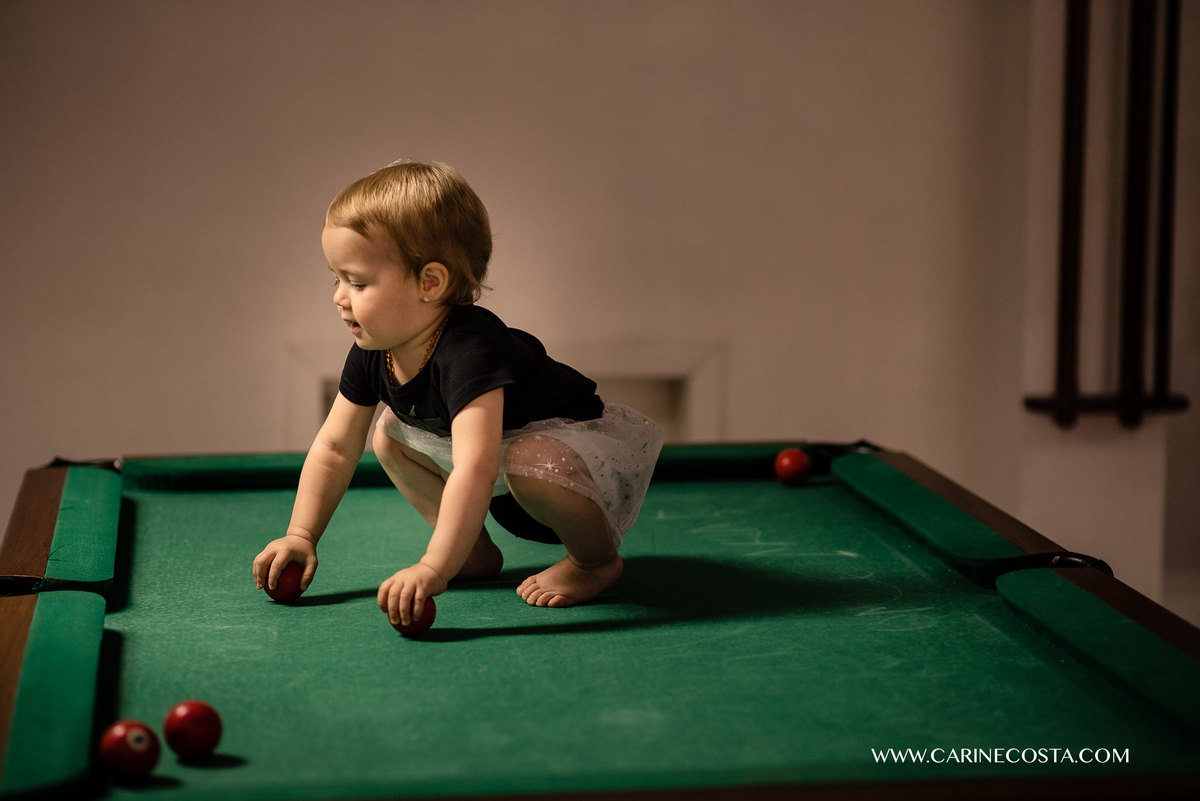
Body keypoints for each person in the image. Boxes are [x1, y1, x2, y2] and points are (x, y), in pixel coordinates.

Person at [252, 160, 664, 630]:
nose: (339, 297)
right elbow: (334, 447)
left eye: (358, 282)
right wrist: (301, 534)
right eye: (337, 278)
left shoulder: (470, 349)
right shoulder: (375, 348)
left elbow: (475, 466)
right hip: (508, 467)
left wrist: (432, 567)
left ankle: (595, 562)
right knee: (388, 434)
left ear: (430, 282)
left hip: (573, 466)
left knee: (528, 455)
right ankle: (472, 553)